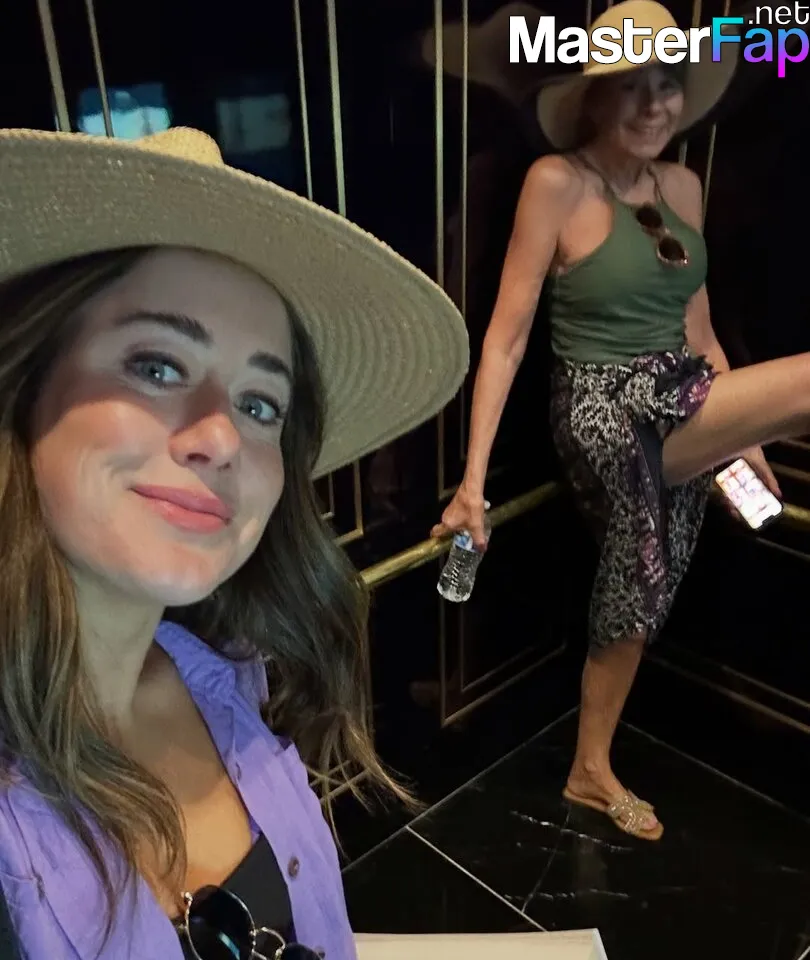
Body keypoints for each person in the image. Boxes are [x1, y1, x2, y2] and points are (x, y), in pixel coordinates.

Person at [0, 126, 468, 958]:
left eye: (260, 405)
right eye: (157, 365)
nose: (222, 437)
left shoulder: (229, 678)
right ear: (23, 387)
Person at [432, 0, 809, 841]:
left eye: (668, 84)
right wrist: (471, 483)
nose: (654, 103)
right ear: (595, 96)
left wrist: (741, 432)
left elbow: (700, 332)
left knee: (640, 584)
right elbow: (506, 338)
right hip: (601, 404)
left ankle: (588, 769)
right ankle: (591, 768)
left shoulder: (683, 186)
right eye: (632, 85)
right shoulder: (555, 182)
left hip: (683, 392)